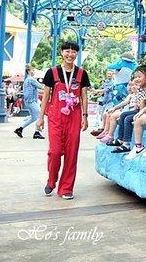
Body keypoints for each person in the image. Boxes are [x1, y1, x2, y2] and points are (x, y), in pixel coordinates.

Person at [38, 41, 90, 200]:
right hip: (56, 116)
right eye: (67, 51)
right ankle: (51, 180)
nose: (70, 54)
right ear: (61, 52)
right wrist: (41, 118)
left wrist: (85, 116)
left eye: (74, 52)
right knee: (55, 151)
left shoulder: (81, 73)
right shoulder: (52, 72)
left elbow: (84, 96)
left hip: (74, 116)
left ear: (77, 54)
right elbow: (46, 95)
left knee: (71, 152)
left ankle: (66, 188)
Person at [105, 66, 146, 148]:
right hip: (138, 110)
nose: (137, 79)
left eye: (139, 77)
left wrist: (140, 113)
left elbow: (144, 102)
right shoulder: (140, 89)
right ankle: (120, 139)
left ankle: (126, 143)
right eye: (135, 77)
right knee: (123, 115)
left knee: (128, 119)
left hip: (145, 111)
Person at [14, 64, 45, 139]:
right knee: (39, 115)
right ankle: (37, 132)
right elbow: (41, 87)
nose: (34, 71)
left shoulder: (27, 80)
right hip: (32, 101)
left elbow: (37, 90)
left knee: (34, 117)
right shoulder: (31, 79)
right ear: (28, 71)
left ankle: (20, 129)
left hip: (28, 101)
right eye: (32, 70)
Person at [90, 69, 116, 135]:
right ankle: (102, 129)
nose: (109, 75)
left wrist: (96, 91)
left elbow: (106, 90)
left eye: (110, 74)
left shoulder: (113, 83)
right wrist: (95, 93)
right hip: (104, 101)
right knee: (102, 115)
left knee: (105, 114)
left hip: (111, 101)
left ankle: (104, 130)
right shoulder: (105, 83)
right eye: (108, 74)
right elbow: (101, 90)